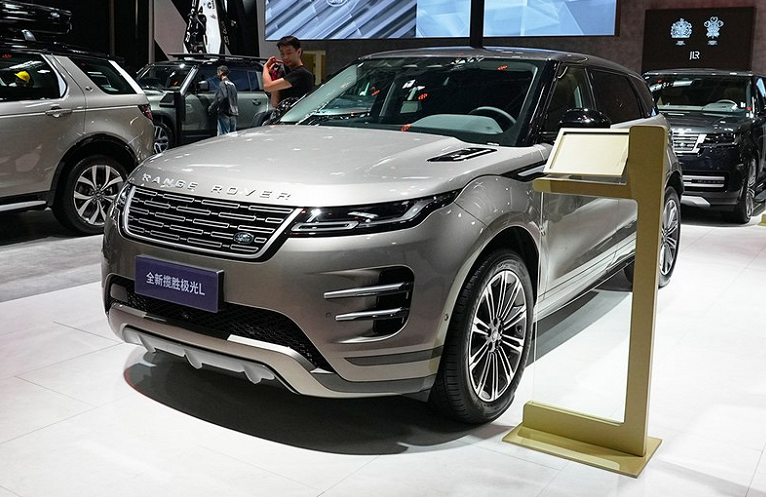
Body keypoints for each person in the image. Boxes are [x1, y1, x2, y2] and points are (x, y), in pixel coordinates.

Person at [262, 36, 314, 108]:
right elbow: (275, 103)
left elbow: (267, 86)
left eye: (289, 53)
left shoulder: (301, 73)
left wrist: (265, 67)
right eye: (282, 53)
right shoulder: (287, 74)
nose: (285, 57)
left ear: (299, 52)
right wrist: (276, 76)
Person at [208, 65, 238, 135]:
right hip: (233, 113)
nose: (217, 75)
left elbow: (221, 97)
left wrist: (211, 108)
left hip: (224, 113)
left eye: (218, 73)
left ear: (221, 72)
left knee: (223, 137)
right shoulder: (232, 84)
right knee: (233, 136)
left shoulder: (222, 83)